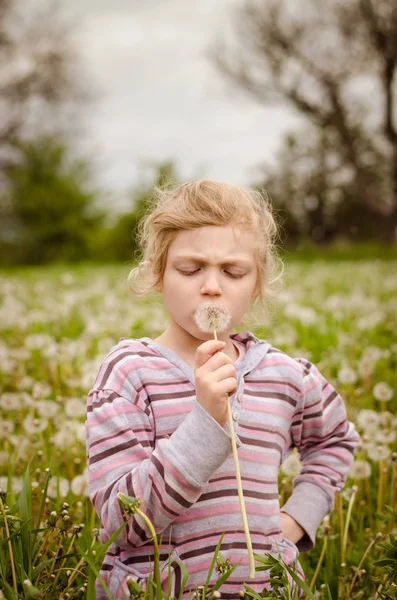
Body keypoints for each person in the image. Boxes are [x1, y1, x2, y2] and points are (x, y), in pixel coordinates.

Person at [86, 179, 359, 599]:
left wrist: (296, 520)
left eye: (233, 271)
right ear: (158, 275)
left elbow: (335, 440)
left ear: (256, 284)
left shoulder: (285, 375)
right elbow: (121, 524)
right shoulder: (129, 374)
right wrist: (205, 421)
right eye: (190, 269)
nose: (212, 285)